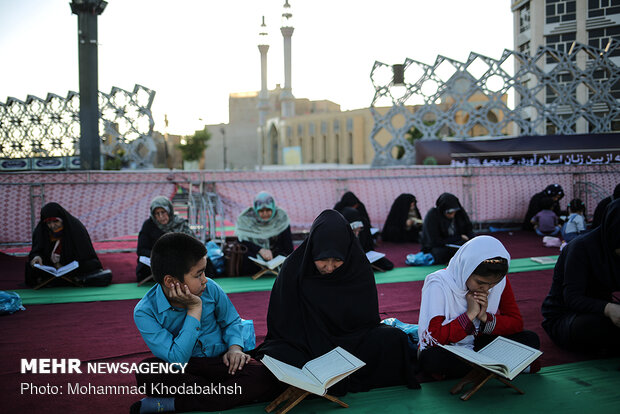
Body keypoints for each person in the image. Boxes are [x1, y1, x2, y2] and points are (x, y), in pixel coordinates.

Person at [252, 210, 419, 395]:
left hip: (350, 342)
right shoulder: (294, 269)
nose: (329, 268)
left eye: (337, 260)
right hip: (306, 344)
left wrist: (339, 345)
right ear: (313, 251)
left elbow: (366, 322)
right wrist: (318, 344)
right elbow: (282, 324)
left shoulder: (358, 268)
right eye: (322, 260)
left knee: (394, 340)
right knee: (275, 355)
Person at [132, 233, 279, 413]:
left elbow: (232, 321)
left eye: (204, 272)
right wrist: (194, 309)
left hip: (222, 362)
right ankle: (229, 392)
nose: (204, 280)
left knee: (265, 374)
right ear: (170, 281)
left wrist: (234, 348)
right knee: (148, 372)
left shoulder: (210, 288)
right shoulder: (145, 311)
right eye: (198, 274)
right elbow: (177, 361)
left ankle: (173, 403)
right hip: (186, 370)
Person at [417, 236, 540, 380]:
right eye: (480, 282)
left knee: (530, 338)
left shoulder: (499, 280)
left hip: (479, 343)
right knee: (432, 359)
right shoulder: (439, 283)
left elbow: (516, 323)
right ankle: (501, 366)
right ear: (466, 269)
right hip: (449, 347)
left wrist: (484, 318)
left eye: (492, 284)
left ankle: (478, 369)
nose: (486, 289)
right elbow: (434, 337)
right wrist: (470, 315)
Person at [541, 199, 620, 355]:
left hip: (602, 310)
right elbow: (572, 298)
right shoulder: (581, 248)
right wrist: (609, 308)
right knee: (595, 326)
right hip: (568, 315)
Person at [25, 202, 111, 287]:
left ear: (62, 219)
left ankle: (55, 280)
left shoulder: (75, 228)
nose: (52, 226)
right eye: (49, 223)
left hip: (71, 266)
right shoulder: (41, 231)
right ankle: (63, 279)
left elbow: (85, 254)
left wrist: (64, 265)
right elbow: (36, 250)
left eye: (56, 221)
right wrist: (37, 257)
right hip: (50, 266)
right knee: (31, 266)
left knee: (92, 264)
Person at [234, 191, 293, 275]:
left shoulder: (281, 219)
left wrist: (275, 257)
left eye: (268, 210)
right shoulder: (246, 219)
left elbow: (288, 247)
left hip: (277, 268)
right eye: (261, 211)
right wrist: (259, 250)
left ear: (273, 208)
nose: (265, 214)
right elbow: (241, 242)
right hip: (252, 269)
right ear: (255, 210)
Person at [136, 196, 193, 282]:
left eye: (163, 212)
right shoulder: (149, 225)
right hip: (157, 261)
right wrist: (160, 255)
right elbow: (141, 249)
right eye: (157, 214)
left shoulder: (180, 224)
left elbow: (192, 244)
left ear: (169, 211)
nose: (161, 216)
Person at [420, 193, 475, 264]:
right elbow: (435, 241)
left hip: (457, 243)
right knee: (439, 253)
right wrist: (458, 237)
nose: (452, 215)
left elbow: (468, 230)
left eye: (454, 212)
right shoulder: (433, 215)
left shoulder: (460, 214)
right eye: (449, 213)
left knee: (469, 248)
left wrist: (473, 241)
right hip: (440, 246)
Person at [341, 207, 394, 271]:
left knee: (386, 265)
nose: (357, 232)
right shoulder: (342, 228)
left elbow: (368, 245)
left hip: (364, 254)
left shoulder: (363, 223)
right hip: (348, 258)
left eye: (359, 230)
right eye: (354, 230)